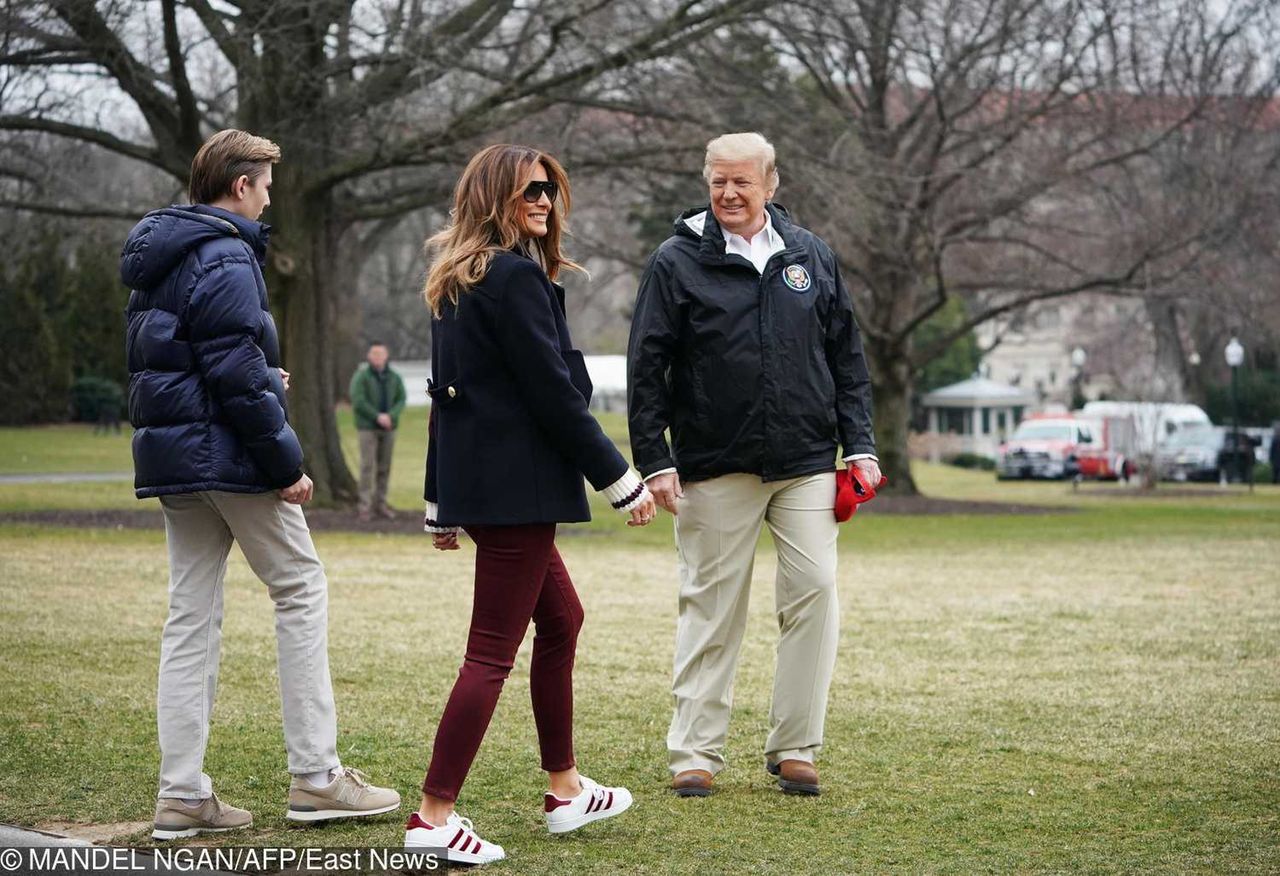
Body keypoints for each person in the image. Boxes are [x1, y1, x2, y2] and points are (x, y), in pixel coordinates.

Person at [121, 129, 400, 840]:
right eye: (266, 185)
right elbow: (232, 374)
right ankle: (317, 778)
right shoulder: (226, 253)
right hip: (232, 458)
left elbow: (180, 357)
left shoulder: (161, 256)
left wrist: (255, 375)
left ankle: (181, 794)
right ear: (240, 186)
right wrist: (286, 465)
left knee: (190, 616)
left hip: (177, 460)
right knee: (300, 589)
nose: (270, 197)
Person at [407, 144, 656, 864]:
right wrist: (620, 478)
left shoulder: (459, 278)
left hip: (489, 490)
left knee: (563, 619)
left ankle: (565, 790)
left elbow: (445, 399)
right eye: (528, 193)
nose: (544, 202)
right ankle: (432, 817)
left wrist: (439, 501)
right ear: (493, 200)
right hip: (516, 493)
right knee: (489, 654)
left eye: (549, 190)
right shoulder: (509, 279)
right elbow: (553, 395)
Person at [627, 132, 880, 799]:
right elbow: (646, 367)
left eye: (742, 182)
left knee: (816, 593)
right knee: (711, 609)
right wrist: (654, 459)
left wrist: (860, 444)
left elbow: (846, 356)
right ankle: (696, 754)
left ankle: (795, 746)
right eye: (717, 182)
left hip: (805, 462)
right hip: (714, 465)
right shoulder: (677, 261)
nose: (729, 194)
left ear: (771, 183)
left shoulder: (810, 255)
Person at [350, 342, 406, 520]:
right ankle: (364, 506)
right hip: (367, 428)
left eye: (380, 353)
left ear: (386, 355)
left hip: (389, 428)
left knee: (385, 467)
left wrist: (391, 416)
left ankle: (380, 503)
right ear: (369, 356)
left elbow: (401, 398)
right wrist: (377, 416)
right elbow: (358, 400)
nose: (377, 357)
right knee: (367, 467)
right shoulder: (361, 377)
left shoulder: (395, 377)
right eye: (374, 353)